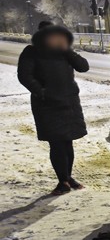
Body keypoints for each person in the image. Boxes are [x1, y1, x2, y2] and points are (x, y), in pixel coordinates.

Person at [17, 22, 90, 195]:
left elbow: (83, 66)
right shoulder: (31, 52)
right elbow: (24, 75)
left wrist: (67, 50)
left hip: (69, 103)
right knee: (56, 143)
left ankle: (68, 177)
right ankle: (62, 180)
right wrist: (42, 92)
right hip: (47, 104)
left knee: (68, 141)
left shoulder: (63, 51)